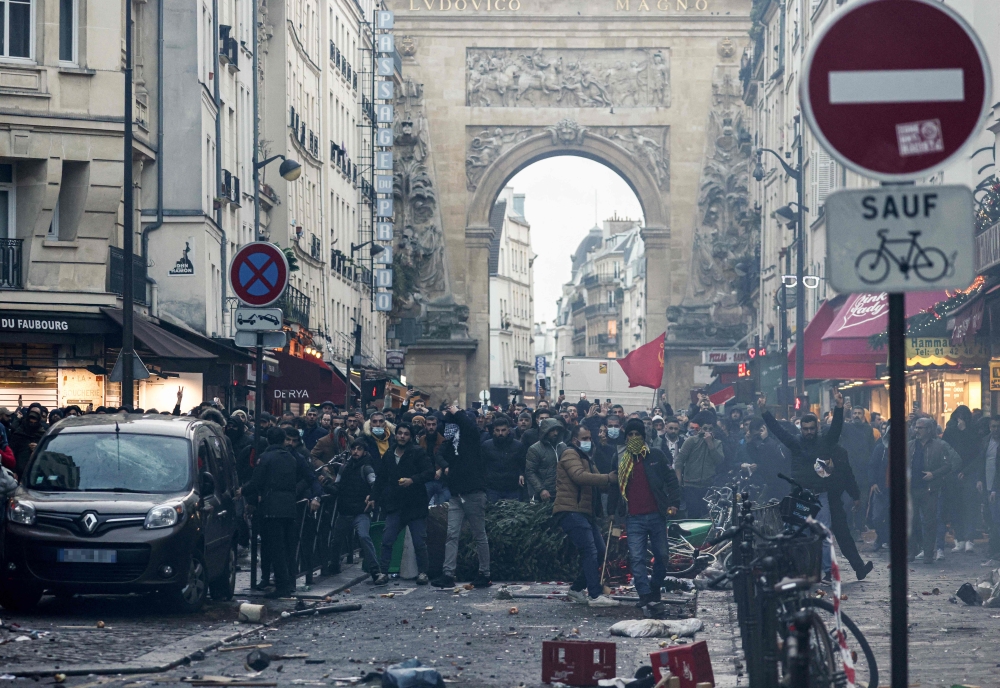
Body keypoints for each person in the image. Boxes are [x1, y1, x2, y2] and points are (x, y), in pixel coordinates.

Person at [608, 418, 681, 608]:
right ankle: (645, 594)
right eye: (630, 434)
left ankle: (655, 586)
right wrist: (611, 513)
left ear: (643, 436)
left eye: (637, 434)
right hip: (634, 517)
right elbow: (615, 487)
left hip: (656, 514)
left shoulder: (655, 455)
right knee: (637, 557)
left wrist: (673, 503)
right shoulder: (621, 459)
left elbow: (671, 480)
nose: (633, 438)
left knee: (662, 555)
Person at [242, 427, 322, 598]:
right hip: (289, 508)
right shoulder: (292, 458)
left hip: (271, 508)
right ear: (283, 440)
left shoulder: (266, 457)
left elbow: (256, 481)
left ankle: (282, 585)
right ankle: (287, 582)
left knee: (275, 547)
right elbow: (308, 478)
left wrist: (242, 492)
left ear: (269, 440)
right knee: (287, 547)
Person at [553, 425, 618, 607]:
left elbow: (600, 483)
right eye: (585, 438)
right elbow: (580, 477)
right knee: (590, 550)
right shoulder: (570, 454)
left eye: (590, 438)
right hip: (571, 510)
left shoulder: (586, 458)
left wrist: (615, 480)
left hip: (584, 512)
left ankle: (576, 589)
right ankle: (595, 595)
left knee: (599, 551)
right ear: (575, 440)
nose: (589, 441)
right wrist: (608, 478)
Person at [432, 407, 491, 588]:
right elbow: (440, 454)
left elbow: (471, 428)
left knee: (479, 534)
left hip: (473, 493)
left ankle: (484, 573)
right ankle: (448, 573)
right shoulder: (450, 443)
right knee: (452, 534)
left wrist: (458, 413)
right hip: (456, 494)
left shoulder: (470, 439)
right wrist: (445, 465)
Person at [371, 423, 434, 585]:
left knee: (419, 541)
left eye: (406, 434)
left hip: (415, 505)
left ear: (410, 437)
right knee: (387, 539)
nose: (402, 436)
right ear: (395, 435)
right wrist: (373, 497)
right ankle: (383, 572)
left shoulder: (418, 452)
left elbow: (429, 472)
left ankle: (423, 572)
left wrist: (412, 480)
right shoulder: (390, 454)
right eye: (399, 433)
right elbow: (381, 478)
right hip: (395, 504)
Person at [326, 440, 381, 582]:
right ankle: (333, 564)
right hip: (345, 512)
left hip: (361, 512)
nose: (356, 451)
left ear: (364, 451)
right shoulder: (344, 468)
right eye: (353, 449)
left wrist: (372, 497)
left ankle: (375, 570)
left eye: (359, 449)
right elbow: (337, 486)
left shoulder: (367, 468)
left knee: (363, 537)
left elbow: (375, 485)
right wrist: (326, 484)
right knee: (336, 540)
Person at [908, 416, 955, 564]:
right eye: (916, 427)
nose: (917, 430)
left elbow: (948, 465)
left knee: (929, 522)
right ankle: (911, 551)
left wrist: (933, 474)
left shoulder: (938, 446)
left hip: (929, 489)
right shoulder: (910, 446)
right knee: (910, 521)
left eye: (920, 428)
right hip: (911, 489)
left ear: (928, 430)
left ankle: (928, 553)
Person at [941, 405, 982, 553]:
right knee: (956, 507)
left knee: (969, 506)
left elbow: (976, 452)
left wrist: (965, 431)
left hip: (968, 474)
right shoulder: (950, 431)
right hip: (954, 474)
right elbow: (944, 449)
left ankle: (968, 538)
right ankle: (960, 538)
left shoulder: (972, 431)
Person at [674, 411, 724, 518]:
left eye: (710, 429)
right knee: (693, 514)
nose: (707, 431)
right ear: (700, 429)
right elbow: (679, 460)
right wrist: (679, 480)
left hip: (708, 485)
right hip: (690, 485)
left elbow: (719, 461)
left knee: (707, 515)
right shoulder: (691, 441)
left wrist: (710, 444)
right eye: (705, 428)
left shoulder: (717, 443)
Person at [839, 406, 876, 533]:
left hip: (863, 474)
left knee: (863, 502)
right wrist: (842, 410)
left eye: (859, 413)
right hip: (849, 473)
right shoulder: (846, 428)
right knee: (848, 503)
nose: (856, 415)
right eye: (854, 413)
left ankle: (860, 526)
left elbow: (872, 449)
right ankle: (849, 528)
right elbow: (838, 425)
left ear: (863, 415)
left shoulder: (868, 429)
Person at [481, 415, 527, 502]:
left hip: (512, 487)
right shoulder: (486, 446)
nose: (500, 433)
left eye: (503, 430)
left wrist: (521, 474)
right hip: (492, 488)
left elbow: (523, 463)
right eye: (497, 430)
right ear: (494, 431)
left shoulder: (518, 446)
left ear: (508, 430)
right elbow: (482, 465)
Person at [525, 418, 565, 501]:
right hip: (544, 494)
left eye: (557, 430)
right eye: (552, 430)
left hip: (562, 491)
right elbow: (530, 472)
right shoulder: (535, 449)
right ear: (545, 431)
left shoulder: (563, 447)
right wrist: (541, 489)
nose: (556, 433)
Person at [979, 416, 1000, 559]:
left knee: (995, 519)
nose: (996, 429)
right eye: (993, 426)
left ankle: (994, 552)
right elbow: (981, 460)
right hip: (988, 483)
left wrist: (994, 488)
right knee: (990, 518)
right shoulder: (986, 441)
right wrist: (980, 479)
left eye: (998, 426)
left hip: (995, 486)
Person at [10, 407, 45, 477]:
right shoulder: (19, 434)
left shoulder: (42, 434)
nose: (32, 423)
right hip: (20, 473)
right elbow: (12, 453)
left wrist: (38, 448)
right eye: (31, 422)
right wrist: (13, 471)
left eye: (35, 422)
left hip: (37, 472)